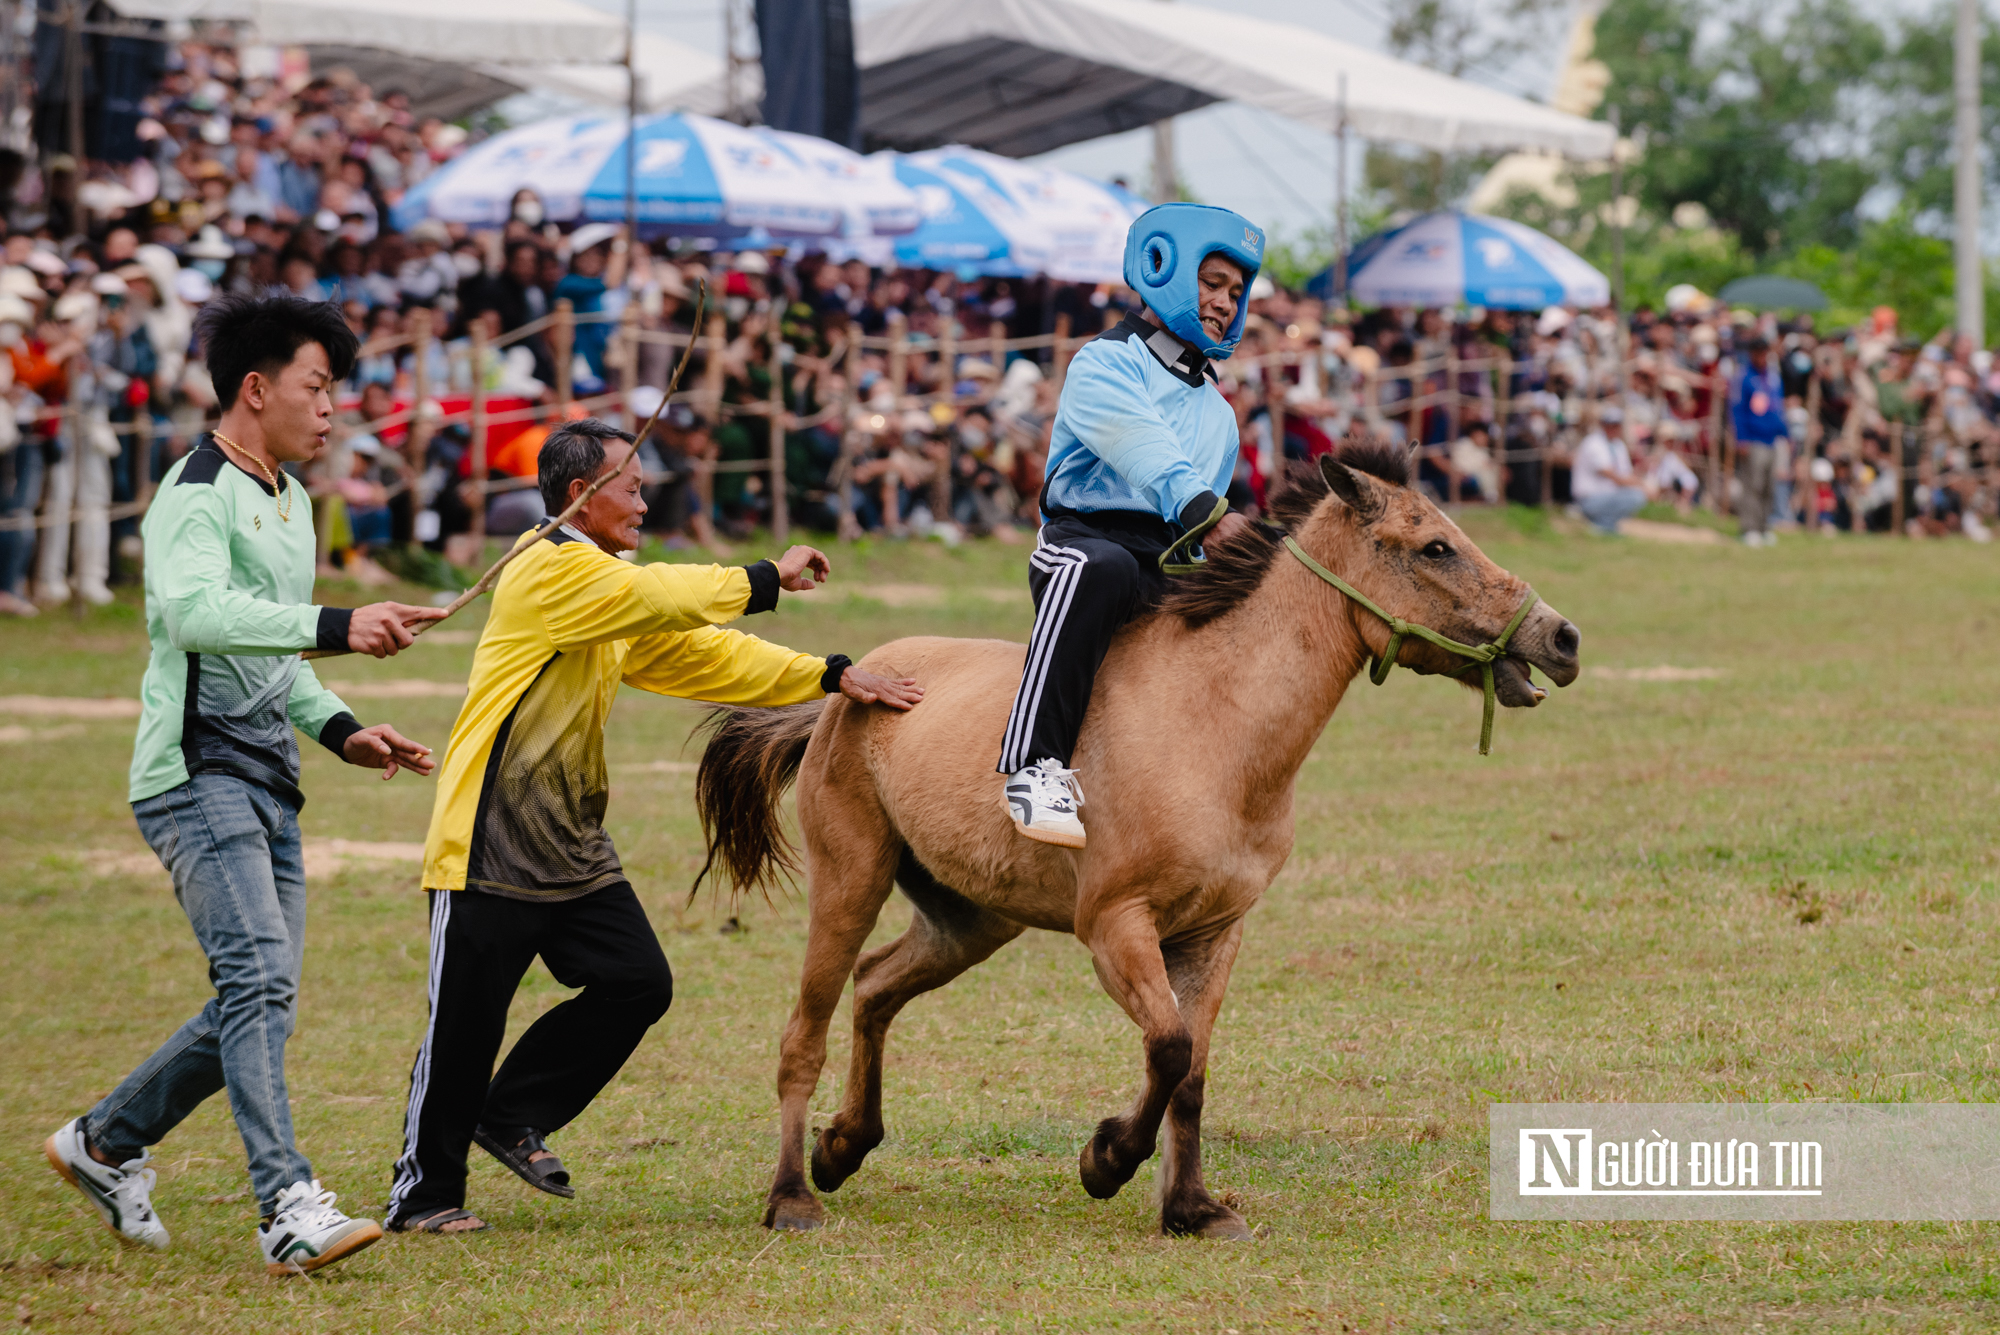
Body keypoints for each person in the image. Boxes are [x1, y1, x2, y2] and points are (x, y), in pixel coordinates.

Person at [384, 419, 924, 1235]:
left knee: (638, 981)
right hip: (488, 840)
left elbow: (699, 655)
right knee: (464, 1025)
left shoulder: (599, 591)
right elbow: (659, 594)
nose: (644, 499)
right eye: (630, 486)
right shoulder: (545, 571)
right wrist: (765, 576)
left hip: (571, 845)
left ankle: (511, 1113)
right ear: (581, 496)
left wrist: (830, 675)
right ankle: (423, 1196)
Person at [42, 293, 447, 1276]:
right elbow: (192, 612)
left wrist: (344, 730)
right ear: (256, 388)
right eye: (317, 387)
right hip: (192, 772)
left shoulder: (288, 500)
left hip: (265, 771)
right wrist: (337, 622)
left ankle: (103, 1142)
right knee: (257, 981)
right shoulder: (196, 490)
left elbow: (273, 650)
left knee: (260, 994)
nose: (330, 408)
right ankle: (285, 1206)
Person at [994, 202, 1264, 848]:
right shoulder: (1103, 363)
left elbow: (1203, 519)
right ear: (1163, 268)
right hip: (1086, 542)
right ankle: (1033, 766)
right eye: (1211, 282)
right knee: (1102, 569)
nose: (1225, 302)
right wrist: (1207, 513)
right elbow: (1149, 450)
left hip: (1168, 560)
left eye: (1235, 291)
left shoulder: (1220, 417)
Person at [1732, 335, 1788, 547]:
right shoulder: (1745, 377)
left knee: (1769, 486)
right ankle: (1749, 528)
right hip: (1753, 438)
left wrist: (1785, 433)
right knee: (1752, 485)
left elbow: (1777, 407)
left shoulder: (1772, 377)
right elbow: (1737, 409)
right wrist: (1741, 438)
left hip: (1772, 438)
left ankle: (1764, 527)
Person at [1570, 406, 1648, 534]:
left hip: (1607, 496)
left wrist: (1640, 481)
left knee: (1635, 495)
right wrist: (1643, 484)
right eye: (1610, 424)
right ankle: (1602, 525)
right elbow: (1612, 475)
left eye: (1616, 425)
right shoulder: (1593, 443)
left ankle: (1604, 525)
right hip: (1589, 499)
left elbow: (1625, 474)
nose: (1613, 428)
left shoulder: (1618, 445)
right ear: (1603, 425)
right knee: (1636, 496)